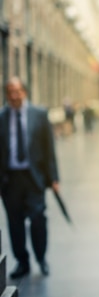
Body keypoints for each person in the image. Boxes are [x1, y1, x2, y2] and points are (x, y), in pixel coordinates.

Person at [0, 76, 60, 278]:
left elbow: (48, 148)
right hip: (10, 180)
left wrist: (54, 178)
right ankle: (22, 262)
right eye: (10, 92)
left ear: (24, 92)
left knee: (38, 220)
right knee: (14, 223)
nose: (14, 96)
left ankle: (41, 258)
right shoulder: (1, 117)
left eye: (17, 91)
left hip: (34, 178)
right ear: (6, 95)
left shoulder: (39, 114)